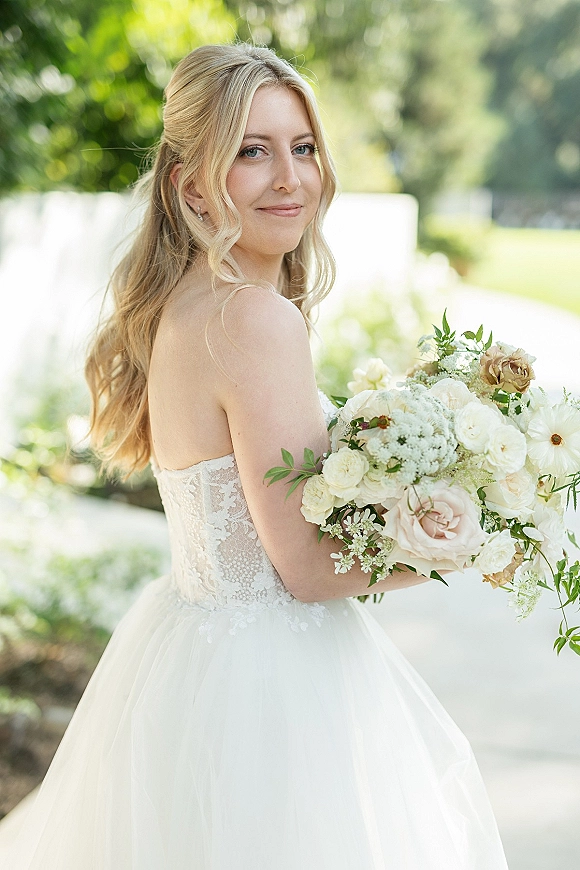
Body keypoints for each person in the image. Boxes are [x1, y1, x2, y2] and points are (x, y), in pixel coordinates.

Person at [3, 43, 509, 869]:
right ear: (193, 184)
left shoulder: (192, 303)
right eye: (252, 150)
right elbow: (305, 570)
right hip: (269, 687)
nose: (289, 178)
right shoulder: (252, 320)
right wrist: (475, 537)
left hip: (192, 651)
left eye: (302, 148)